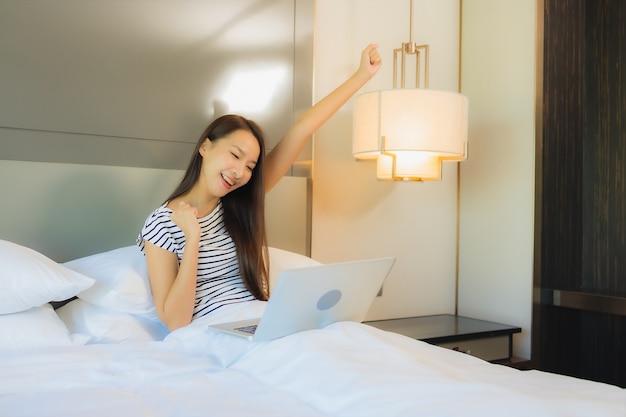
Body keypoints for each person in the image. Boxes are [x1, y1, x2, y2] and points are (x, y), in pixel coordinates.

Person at [137, 44, 382, 331]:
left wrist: (362, 75)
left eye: (251, 166)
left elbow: (303, 129)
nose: (240, 172)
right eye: (235, 155)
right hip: (213, 332)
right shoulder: (162, 225)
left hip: (266, 323)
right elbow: (176, 321)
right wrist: (193, 238)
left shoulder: (237, 203)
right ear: (205, 146)